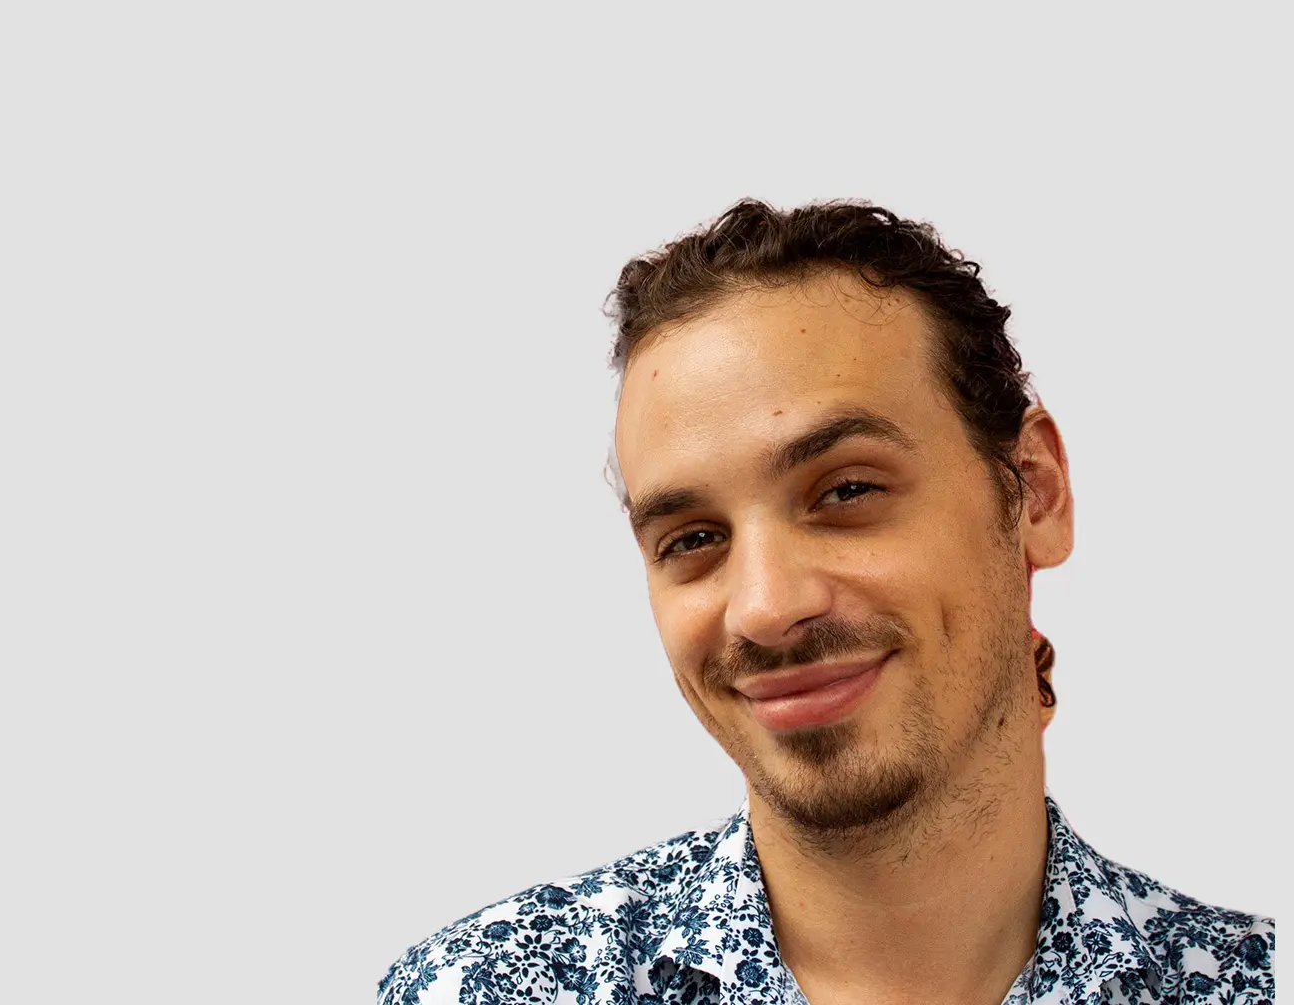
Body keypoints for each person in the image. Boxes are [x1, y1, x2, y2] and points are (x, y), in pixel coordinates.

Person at [375, 200, 1275, 1005]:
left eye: (846, 491)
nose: (765, 608)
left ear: (1033, 492)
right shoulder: (488, 989)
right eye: (692, 540)